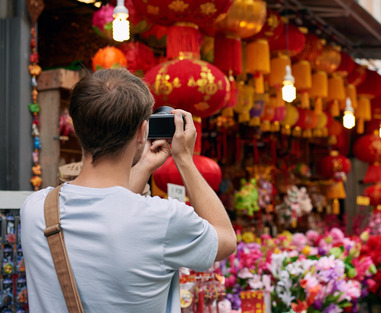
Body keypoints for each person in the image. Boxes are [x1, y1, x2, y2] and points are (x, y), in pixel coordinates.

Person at [20, 68, 237, 313]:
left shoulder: (36, 209)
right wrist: (184, 159)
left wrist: (144, 165)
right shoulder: (163, 220)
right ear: (143, 132)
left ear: (76, 126)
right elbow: (226, 240)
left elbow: (111, 207)